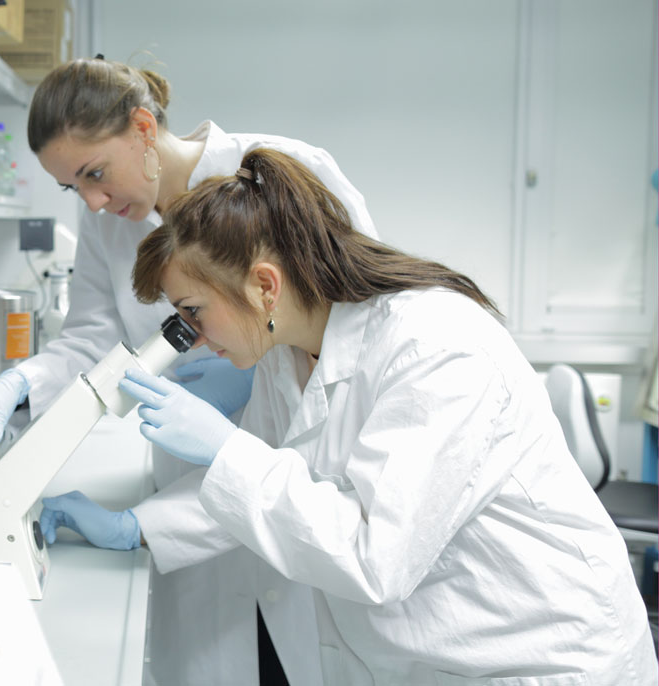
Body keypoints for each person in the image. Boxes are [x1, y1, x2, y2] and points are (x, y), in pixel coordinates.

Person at [58, 146, 658, 684]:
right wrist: (140, 526)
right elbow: (264, 486)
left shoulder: (437, 349)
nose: (189, 336)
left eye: (193, 311)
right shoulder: (287, 352)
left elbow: (374, 554)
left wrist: (224, 448)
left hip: (536, 658)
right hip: (430, 655)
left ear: (264, 286)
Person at [0, 57, 377, 685]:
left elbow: (355, 327)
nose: (93, 201)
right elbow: (93, 341)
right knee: (216, 659)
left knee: (298, 652)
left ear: (144, 127)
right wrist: (19, 385)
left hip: (303, 461)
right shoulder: (105, 219)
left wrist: (260, 373)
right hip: (192, 479)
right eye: (74, 187)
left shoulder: (283, 173)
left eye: (97, 173)